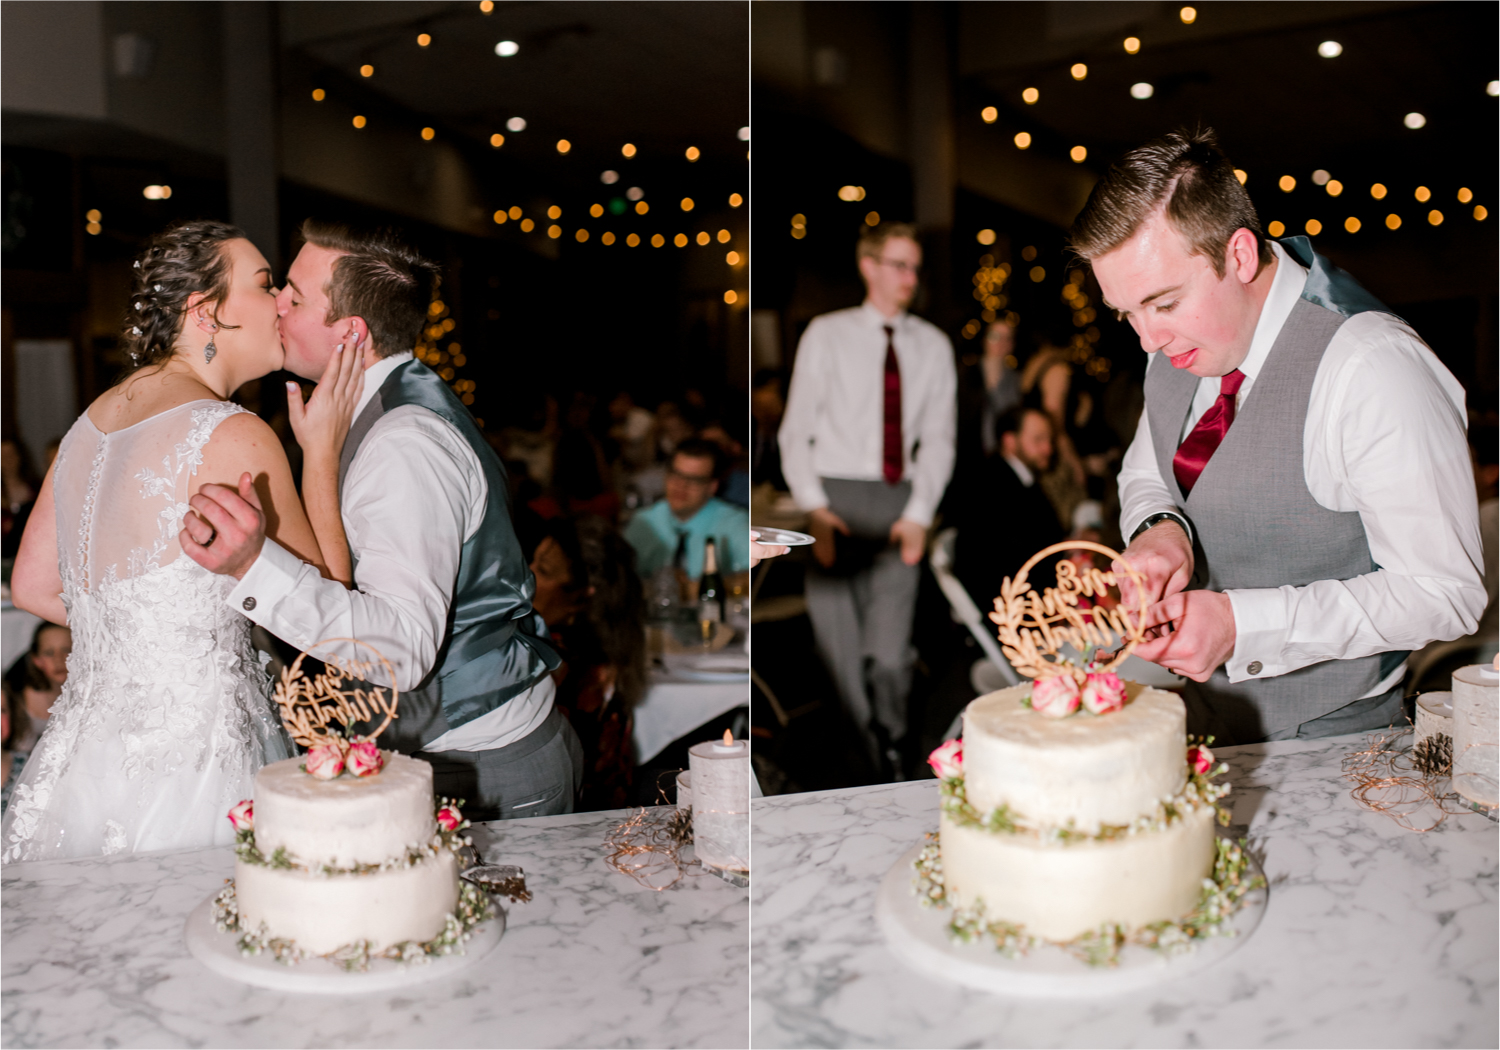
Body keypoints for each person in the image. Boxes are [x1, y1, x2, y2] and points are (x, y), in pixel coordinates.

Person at [1073, 128, 1485, 744]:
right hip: (1202, 720)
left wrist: (1244, 625)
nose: (1146, 340)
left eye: (1163, 303)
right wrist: (1163, 530)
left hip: (1335, 741)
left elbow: (1444, 592)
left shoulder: (1372, 366)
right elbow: (1148, 470)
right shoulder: (1176, 346)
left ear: (1238, 255)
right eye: (1127, 313)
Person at [184, 220, 583, 821]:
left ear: (349, 331)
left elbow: (402, 650)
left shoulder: (403, 443)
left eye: (293, 295)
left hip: (480, 766)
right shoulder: (382, 406)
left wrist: (253, 568)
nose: (277, 307)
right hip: (450, 750)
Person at [3, 220, 362, 862]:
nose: (282, 300)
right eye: (263, 285)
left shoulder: (89, 422)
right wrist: (322, 453)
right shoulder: (233, 432)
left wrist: (144, 636)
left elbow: (29, 586)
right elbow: (331, 613)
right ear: (207, 313)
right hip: (196, 762)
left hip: (86, 759)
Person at [778, 221, 957, 775]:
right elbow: (794, 430)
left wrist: (919, 514)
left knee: (890, 655)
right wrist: (815, 507)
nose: (909, 277)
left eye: (914, 266)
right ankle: (864, 766)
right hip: (834, 503)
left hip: (898, 504)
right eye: (898, 264)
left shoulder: (932, 345)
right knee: (840, 657)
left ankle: (896, 743)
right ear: (868, 265)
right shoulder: (826, 334)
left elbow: (940, 438)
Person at [954, 405, 1065, 610]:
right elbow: (1005, 560)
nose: (1048, 449)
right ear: (1010, 441)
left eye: (1049, 440)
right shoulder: (990, 485)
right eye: (1038, 440)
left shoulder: (1022, 479)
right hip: (1011, 610)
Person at [623, 438, 750, 579]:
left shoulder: (734, 522)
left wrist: (695, 589)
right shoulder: (644, 521)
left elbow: (750, 575)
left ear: (712, 487)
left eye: (694, 480)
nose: (681, 486)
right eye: (676, 475)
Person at [4, 622, 72, 755]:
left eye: (67, 650)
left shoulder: (93, 695)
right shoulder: (14, 699)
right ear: (36, 660)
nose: (58, 660)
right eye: (49, 653)